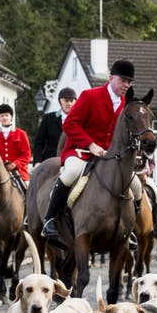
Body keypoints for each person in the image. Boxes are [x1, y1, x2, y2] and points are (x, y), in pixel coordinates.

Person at [42, 60, 144, 243]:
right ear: (111, 78)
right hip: (81, 152)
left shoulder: (126, 105)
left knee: (136, 186)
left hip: (110, 158)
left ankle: (129, 229)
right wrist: (91, 145)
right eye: (123, 80)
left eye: (129, 82)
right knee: (70, 173)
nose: (126, 85)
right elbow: (69, 124)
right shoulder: (90, 96)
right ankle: (50, 219)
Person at [0, 103, 32, 186]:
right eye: (2, 116)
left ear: (11, 117)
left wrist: (15, 164)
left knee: (28, 189)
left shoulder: (21, 134)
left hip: (19, 172)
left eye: (7, 115)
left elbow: (27, 155)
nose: (4, 118)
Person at [32, 87, 76, 166]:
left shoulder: (81, 120)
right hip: (50, 161)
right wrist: (37, 161)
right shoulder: (48, 118)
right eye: (66, 100)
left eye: (71, 101)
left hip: (73, 161)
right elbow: (38, 142)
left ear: (75, 102)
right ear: (60, 101)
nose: (69, 104)